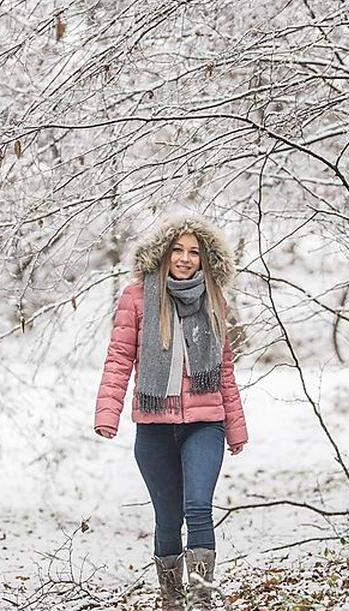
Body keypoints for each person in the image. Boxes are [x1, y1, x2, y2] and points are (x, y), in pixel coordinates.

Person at [93, 213, 249, 611]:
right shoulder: (136, 297)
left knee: (197, 506)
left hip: (204, 424)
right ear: (162, 253)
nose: (184, 258)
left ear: (204, 259)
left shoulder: (215, 299)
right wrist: (107, 415)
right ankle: (171, 600)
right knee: (167, 518)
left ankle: (201, 600)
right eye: (177, 250)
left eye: (194, 252)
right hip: (154, 427)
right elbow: (118, 358)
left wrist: (235, 426)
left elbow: (224, 369)